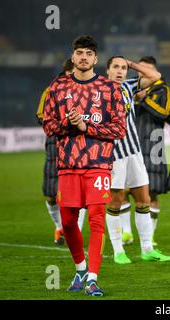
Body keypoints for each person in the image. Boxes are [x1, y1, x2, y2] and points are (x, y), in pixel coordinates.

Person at [43, 35, 126, 296]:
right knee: (68, 222)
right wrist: (68, 123)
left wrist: (86, 125)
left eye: (89, 53)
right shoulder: (57, 88)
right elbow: (48, 125)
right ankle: (80, 268)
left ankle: (92, 278)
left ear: (96, 59)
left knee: (96, 218)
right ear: (73, 56)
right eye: (79, 53)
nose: (84, 57)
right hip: (68, 164)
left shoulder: (110, 88)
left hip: (98, 164)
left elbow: (119, 129)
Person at [105, 55, 170, 264]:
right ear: (107, 70)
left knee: (144, 200)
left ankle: (147, 249)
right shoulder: (99, 91)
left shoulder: (129, 86)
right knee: (115, 203)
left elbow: (156, 75)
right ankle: (118, 252)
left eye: (123, 68)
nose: (120, 71)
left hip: (135, 153)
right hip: (114, 156)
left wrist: (133, 65)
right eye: (115, 67)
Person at [36, 59, 88, 245]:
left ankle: (74, 231)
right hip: (55, 145)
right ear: (66, 72)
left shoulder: (86, 90)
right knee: (51, 193)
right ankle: (59, 226)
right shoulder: (51, 91)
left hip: (78, 145)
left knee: (77, 191)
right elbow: (42, 116)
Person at [133, 56, 170, 244]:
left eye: (147, 70)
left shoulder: (162, 90)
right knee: (122, 190)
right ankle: (125, 232)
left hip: (153, 147)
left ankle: (150, 237)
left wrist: (144, 100)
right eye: (140, 70)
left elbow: (164, 114)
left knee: (153, 192)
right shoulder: (129, 89)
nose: (143, 73)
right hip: (130, 146)